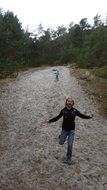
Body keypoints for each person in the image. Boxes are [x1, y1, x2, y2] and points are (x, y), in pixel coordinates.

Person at [48, 97, 93, 165]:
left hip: (71, 130)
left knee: (70, 145)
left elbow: (82, 115)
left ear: (73, 103)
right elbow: (57, 117)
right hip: (64, 130)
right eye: (68, 101)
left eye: (71, 101)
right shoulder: (63, 111)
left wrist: (89, 116)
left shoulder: (74, 111)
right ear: (66, 103)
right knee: (61, 143)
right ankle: (61, 137)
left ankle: (68, 159)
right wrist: (50, 120)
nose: (69, 102)